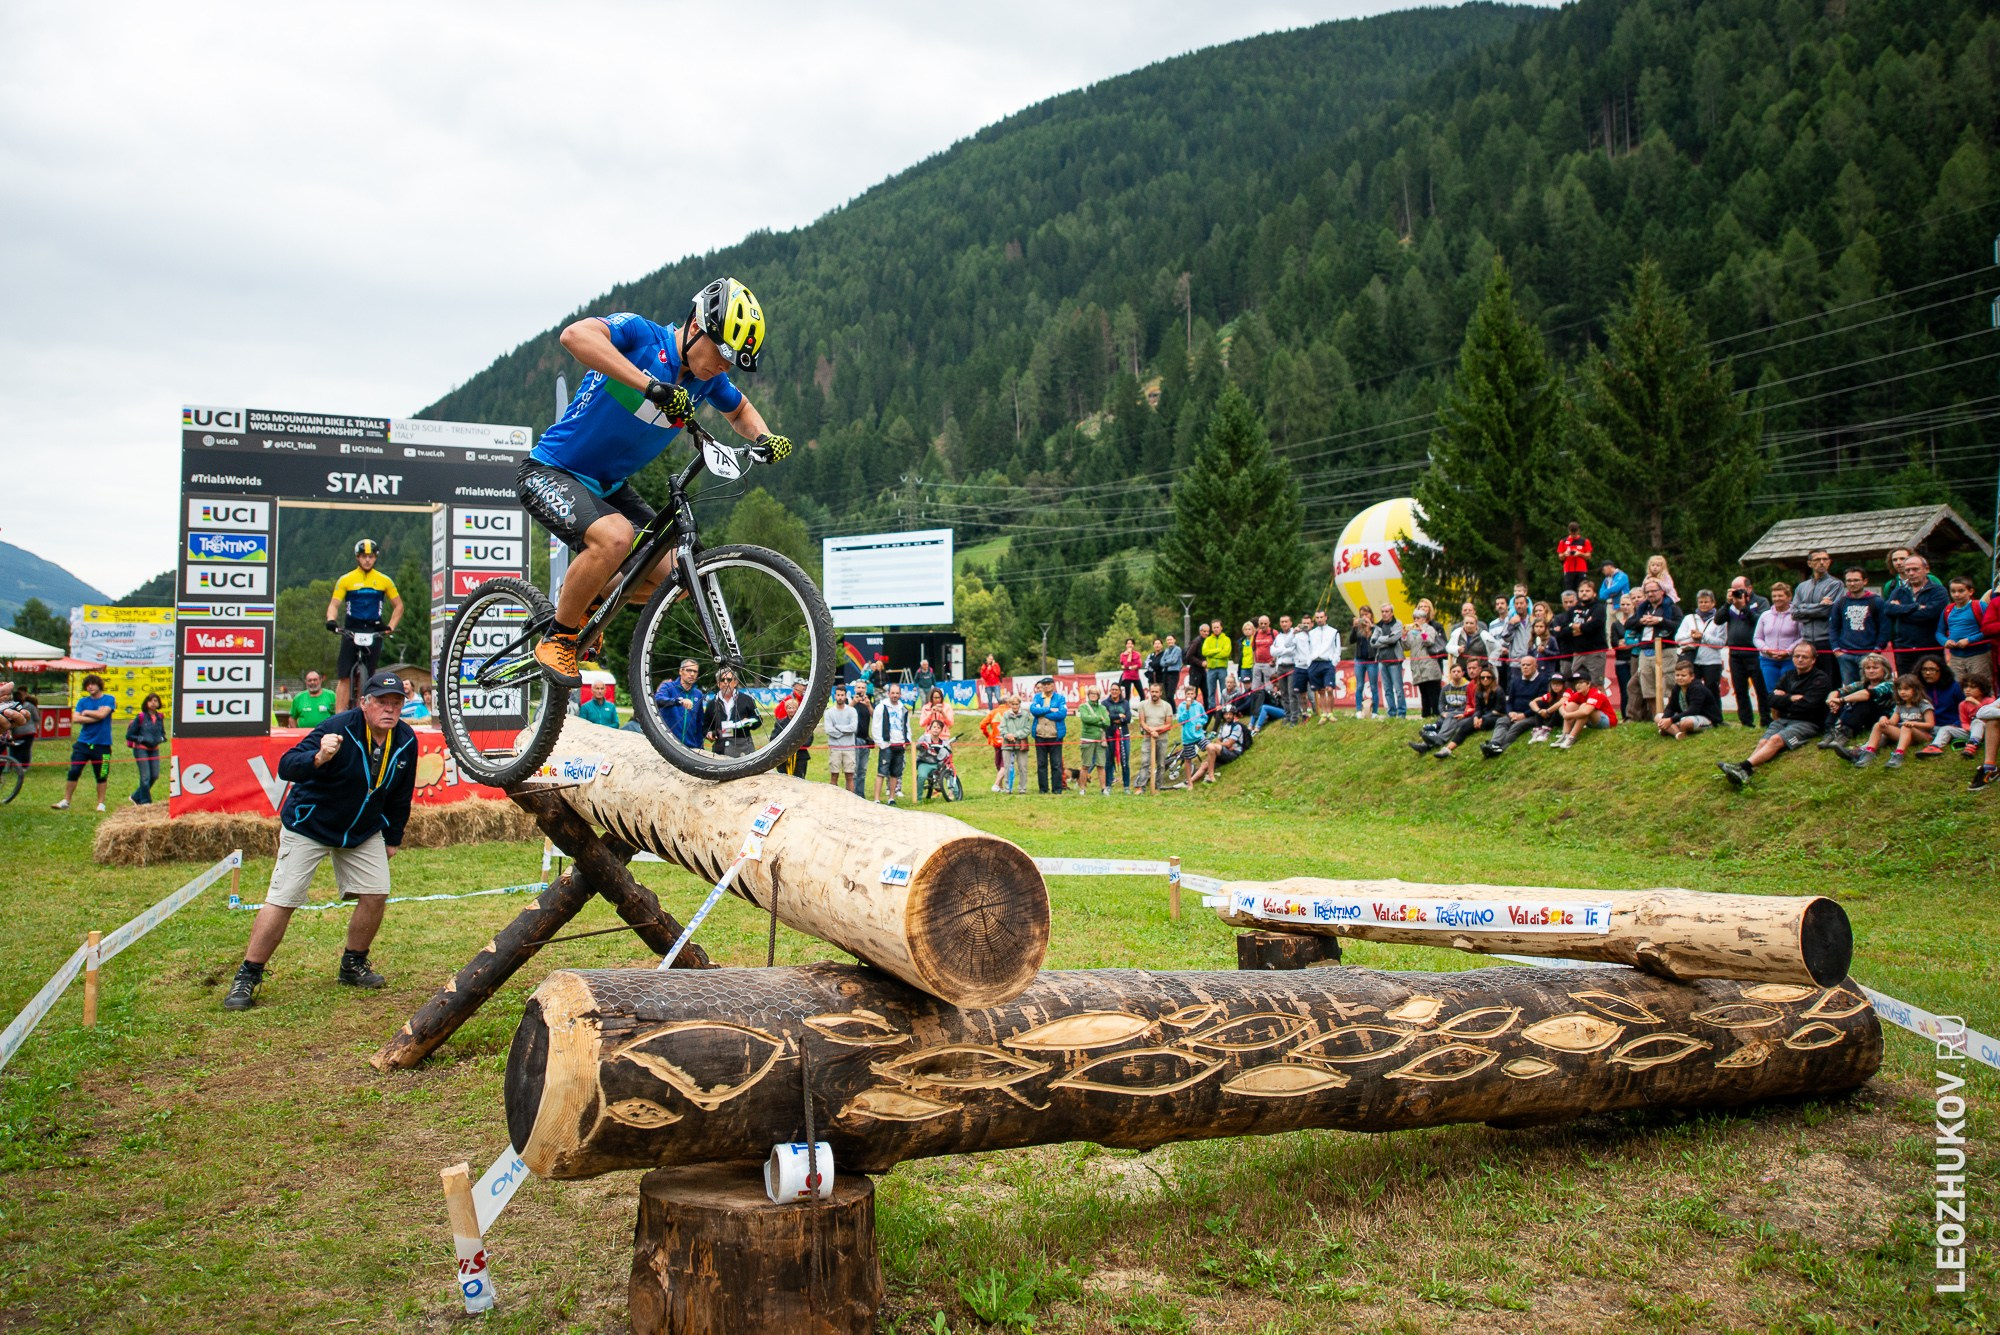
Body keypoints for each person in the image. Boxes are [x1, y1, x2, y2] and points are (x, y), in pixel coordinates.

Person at [515, 280, 789, 685]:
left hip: (609, 487)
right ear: (695, 327)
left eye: (733, 362)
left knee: (681, 575)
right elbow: (574, 336)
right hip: (550, 471)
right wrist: (650, 386)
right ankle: (558, 636)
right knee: (616, 537)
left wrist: (765, 437)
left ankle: (587, 600)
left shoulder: (708, 381)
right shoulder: (641, 335)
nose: (724, 367)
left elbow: (739, 410)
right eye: (722, 353)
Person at [222, 672, 417, 1011]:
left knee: (376, 893)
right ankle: (248, 974)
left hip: (362, 829)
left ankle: (353, 963)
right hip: (310, 824)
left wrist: (393, 836)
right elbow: (287, 766)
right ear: (364, 703)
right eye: (382, 702)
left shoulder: (406, 739)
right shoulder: (337, 727)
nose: (389, 709)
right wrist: (318, 758)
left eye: (396, 703)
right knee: (284, 899)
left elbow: (401, 794)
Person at [1717, 643, 1833, 788]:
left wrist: (1784, 699)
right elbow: (1771, 699)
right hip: (1784, 719)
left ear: (1813, 660)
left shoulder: (1820, 679)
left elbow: (1809, 705)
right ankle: (1745, 771)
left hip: (1808, 723)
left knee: (1776, 739)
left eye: (1805, 657)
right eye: (1797, 656)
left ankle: (1742, 766)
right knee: (1763, 742)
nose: (1800, 659)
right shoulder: (1788, 675)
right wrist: (1791, 698)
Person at [326, 539, 405, 712]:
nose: (367, 560)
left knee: (370, 675)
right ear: (357, 557)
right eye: (363, 556)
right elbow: (334, 604)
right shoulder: (346, 579)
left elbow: (399, 606)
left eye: (371, 556)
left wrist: (390, 626)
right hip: (351, 628)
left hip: (374, 628)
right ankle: (339, 715)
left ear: (376, 557)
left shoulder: (384, 580)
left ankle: (367, 712)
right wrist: (331, 620)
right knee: (344, 675)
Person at [1835, 674, 1932, 769]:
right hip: (1904, 734)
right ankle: (1868, 752)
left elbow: (1930, 724)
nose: (1902, 692)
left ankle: (1898, 755)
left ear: (1915, 689)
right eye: (1899, 689)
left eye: (1906, 689)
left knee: (1906, 727)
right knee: (1879, 725)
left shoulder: (1923, 704)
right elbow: (1892, 723)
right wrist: (1883, 718)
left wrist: (1913, 724)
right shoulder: (1900, 705)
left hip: (1921, 734)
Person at [54, 673, 115, 812]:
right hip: (83, 744)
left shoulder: (109, 699)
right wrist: (95, 715)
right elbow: (76, 719)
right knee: (74, 771)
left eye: (92, 684)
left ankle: (101, 803)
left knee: (102, 774)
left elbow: (102, 715)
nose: (90, 687)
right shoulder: (82, 701)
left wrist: (86, 712)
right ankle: (66, 801)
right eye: (87, 685)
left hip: (103, 745)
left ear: (99, 685)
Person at [1626, 578, 1680, 722]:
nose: (1650, 594)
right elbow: (1628, 624)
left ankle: (1670, 717)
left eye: (1653, 591)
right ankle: (1657, 718)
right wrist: (1640, 621)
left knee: (1668, 685)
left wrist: (1660, 621)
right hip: (1645, 651)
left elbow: (1679, 625)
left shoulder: (1672, 607)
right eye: (1647, 591)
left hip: (1665, 650)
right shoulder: (1643, 608)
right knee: (1648, 687)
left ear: (1662, 591)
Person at [1475, 655, 1551, 756]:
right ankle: (1494, 744)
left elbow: (1540, 703)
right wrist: (1510, 712)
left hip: (1532, 715)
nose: (1525, 667)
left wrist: (1524, 715)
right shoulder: (1515, 680)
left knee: (1516, 726)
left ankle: (1500, 747)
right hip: (1514, 713)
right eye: (1523, 665)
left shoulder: (1543, 680)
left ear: (1535, 666)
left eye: (1528, 665)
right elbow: (1509, 701)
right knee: (1501, 721)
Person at [1884, 553, 1945, 676]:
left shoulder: (1938, 591)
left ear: (1926, 569)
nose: (1911, 573)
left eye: (1915, 569)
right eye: (1908, 570)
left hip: (1930, 648)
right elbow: (1888, 609)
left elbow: (1930, 614)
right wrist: (1915, 607)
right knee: (1906, 683)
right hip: (1904, 648)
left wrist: (1901, 611)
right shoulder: (1899, 590)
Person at [1722, 577, 1772, 726]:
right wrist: (1728, 603)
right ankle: (1746, 721)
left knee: (1761, 688)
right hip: (1735, 653)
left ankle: (1766, 719)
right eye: (1733, 589)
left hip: (1754, 652)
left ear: (1749, 588)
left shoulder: (1761, 602)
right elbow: (1718, 620)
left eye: (1739, 589)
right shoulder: (1731, 605)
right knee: (1740, 689)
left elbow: (1761, 622)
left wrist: (1744, 607)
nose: (1737, 592)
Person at [1821, 652, 1894, 751]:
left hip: (1882, 719)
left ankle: (1845, 734)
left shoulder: (1890, 684)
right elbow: (1837, 691)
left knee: (1863, 701)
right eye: (1868, 668)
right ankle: (1830, 732)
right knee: (1837, 700)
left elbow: (1867, 694)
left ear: (1885, 669)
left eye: (1875, 668)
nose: (1871, 671)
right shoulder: (1861, 684)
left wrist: (1841, 700)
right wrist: (1831, 701)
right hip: (1863, 717)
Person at [1828, 567, 1887, 688]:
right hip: (1845, 655)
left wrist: (1877, 650)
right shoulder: (1840, 602)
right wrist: (1836, 650)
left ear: (1865, 581)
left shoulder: (1877, 601)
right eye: (1849, 581)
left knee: (1872, 688)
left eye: (1856, 580)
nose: (1852, 584)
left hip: (1869, 654)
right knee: (1850, 690)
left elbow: (1884, 628)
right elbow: (1833, 627)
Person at [1425, 666, 1501, 759]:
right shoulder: (1476, 689)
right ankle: (1445, 748)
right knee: (1460, 726)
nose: (1485, 679)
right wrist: (1475, 717)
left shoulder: (1498, 690)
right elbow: (1476, 707)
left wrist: (1477, 717)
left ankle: (1436, 739)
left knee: (1455, 722)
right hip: (1475, 716)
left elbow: (1499, 710)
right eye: (1482, 678)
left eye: (1488, 677)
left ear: (1493, 678)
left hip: (1491, 717)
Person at [1923, 673, 1994, 759]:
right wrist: (1970, 729)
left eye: (1972, 687)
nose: (1967, 690)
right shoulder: (1963, 704)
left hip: (1988, 731)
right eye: (1965, 687)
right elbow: (1964, 722)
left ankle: (1972, 746)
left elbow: (1990, 715)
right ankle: (1935, 746)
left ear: (1982, 689)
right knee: (1946, 728)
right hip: (1971, 732)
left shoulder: (1989, 701)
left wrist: (1976, 703)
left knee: (1977, 721)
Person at [1937, 576, 1993, 683]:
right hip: (1956, 657)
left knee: (1981, 684)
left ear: (1970, 591)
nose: (1956, 595)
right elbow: (1939, 632)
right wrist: (1945, 641)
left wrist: (1969, 640)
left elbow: (1988, 629)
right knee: (1958, 686)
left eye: (1961, 591)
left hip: (1979, 655)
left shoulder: (1979, 605)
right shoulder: (1948, 610)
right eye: (1953, 591)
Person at [1791, 548, 1842, 664]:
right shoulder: (1801, 587)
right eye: (1818, 559)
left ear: (1829, 562)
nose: (1822, 562)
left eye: (1825, 559)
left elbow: (1826, 611)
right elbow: (1794, 613)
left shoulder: (1835, 584)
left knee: (1828, 674)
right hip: (1806, 641)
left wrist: (1802, 607)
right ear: (1809, 563)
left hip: (1827, 640)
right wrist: (1818, 606)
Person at [1753, 583, 1802, 698]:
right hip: (1768, 660)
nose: (1777, 598)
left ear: (1789, 597)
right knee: (1772, 692)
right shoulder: (1765, 615)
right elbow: (1757, 638)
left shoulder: (1796, 615)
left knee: (1787, 691)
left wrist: (1788, 651)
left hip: (1789, 660)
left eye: (1780, 595)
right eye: (1774, 596)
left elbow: (1803, 637)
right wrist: (1766, 650)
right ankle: (1774, 710)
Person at [1186, 703, 1249, 787]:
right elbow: (1218, 740)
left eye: (1230, 714)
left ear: (1234, 715)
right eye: (1226, 714)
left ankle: (1210, 775)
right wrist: (1221, 744)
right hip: (1223, 752)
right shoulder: (1223, 726)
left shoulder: (1237, 727)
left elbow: (1229, 744)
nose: (1228, 716)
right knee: (1205, 764)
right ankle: (1189, 782)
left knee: (1211, 747)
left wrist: (1220, 744)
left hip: (1234, 753)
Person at [1656, 660, 1722, 739]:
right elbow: (1671, 707)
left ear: (1692, 676)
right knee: (1658, 717)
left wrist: (1671, 720)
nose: (1680, 678)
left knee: (1685, 723)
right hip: (1685, 716)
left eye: (1683, 675)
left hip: (1706, 718)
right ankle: (1678, 734)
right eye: (1677, 675)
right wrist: (1664, 719)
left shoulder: (1698, 688)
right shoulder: (1677, 688)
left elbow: (1693, 710)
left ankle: (1669, 730)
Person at [1552, 671, 1618, 748]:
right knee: (1571, 705)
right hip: (1591, 722)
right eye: (1576, 683)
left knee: (1584, 707)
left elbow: (1586, 712)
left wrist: (1568, 715)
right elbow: (1562, 706)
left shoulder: (1595, 693)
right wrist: (1564, 714)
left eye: (1580, 682)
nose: (1577, 685)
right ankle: (1565, 734)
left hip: (1607, 722)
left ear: (1588, 684)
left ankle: (1572, 737)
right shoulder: (1578, 694)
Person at [705, 668, 761, 759]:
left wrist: (749, 722)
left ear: (735, 682)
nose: (725, 682)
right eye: (722, 680)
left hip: (743, 748)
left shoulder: (747, 700)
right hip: (720, 749)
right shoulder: (712, 703)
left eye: (729, 679)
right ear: (718, 683)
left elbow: (759, 719)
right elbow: (705, 726)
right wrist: (709, 733)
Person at [653, 658, 708, 749]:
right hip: (668, 742)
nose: (692, 674)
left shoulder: (698, 694)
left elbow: (699, 722)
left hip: (690, 746)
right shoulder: (668, 687)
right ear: (681, 671)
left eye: (695, 671)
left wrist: (700, 747)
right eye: (689, 670)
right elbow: (658, 699)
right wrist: (678, 701)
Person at [124, 691, 167, 804]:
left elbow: (163, 733)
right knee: (145, 777)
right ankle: (145, 802)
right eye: (150, 701)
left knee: (154, 775)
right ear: (146, 703)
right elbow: (129, 735)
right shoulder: (141, 717)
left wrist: (161, 739)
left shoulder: (160, 717)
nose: (153, 703)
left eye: (155, 701)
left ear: (159, 703)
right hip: (141, 749)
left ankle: (135, 796)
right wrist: (142, 739)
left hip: (154, 749)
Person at [872, 681, 911, 802]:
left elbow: (907, 726)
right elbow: (876, 725)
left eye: (897, 693)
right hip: (886, 744)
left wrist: (907, 741)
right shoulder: (881, 707)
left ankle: (891, 798)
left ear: (900, 694)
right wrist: (881, 743)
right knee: (881, 772)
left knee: (895, 773)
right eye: (893, 693)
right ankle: (877, 799)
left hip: (899, 744)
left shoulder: (903, 709)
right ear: (888, 693)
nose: (895, 695)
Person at [1133, 681, 1175, 793]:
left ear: (1160, 693)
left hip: (1162, 738)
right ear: (1149, 692)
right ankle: (1141, 786)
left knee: (1161, 763)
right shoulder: (1143, 704)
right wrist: (1150, 730)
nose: (1154, 694)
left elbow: (1168, 724)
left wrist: (1156, 730)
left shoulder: (1167, 706)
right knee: (1145, 762)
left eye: (1156, 692)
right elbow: (1142, 722)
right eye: (1152, 692)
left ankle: (1158, 786)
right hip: (1147, 737)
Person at [1563, 579, 1607, 686]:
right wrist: (1582, 627)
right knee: (1576, 685)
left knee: (1596, 685)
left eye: (1587, 591)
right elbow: (1564, 629)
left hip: (1595, 653)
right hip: (1578, 653)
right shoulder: (1572, 610)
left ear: (1594, 593)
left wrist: (1578, 627)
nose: (1584, 593)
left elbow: (1594, 626)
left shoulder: (1599, 608)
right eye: (1581, 591)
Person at [1028, 677, 1068, 794]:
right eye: (1044, 684)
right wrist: (1050, 709)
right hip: (1040, 735)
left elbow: (1062, 714)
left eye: (1048, 684)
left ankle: (1057, 789)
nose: (1046, 686)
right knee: (1041, 764)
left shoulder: (1060, 698)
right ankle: (1043, 789)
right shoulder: (1037, 697)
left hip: (1055, 735)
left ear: (1053, 685)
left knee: (1056, 764)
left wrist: (1045, 714)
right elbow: (1033, 710)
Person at [1406, 606, 1445, 718]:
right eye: (1414, 618)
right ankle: (1426, 715)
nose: (1416, 620)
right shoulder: (1411, 631)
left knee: (1433, 692)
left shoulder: (1429, 629)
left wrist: (1422, 631)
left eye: (1418, 618)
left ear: (1424, 619)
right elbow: (1406, 646)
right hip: (1417, 667)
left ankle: (1437, 714)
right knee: (1423, 692)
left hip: (1429, 665)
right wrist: (1404, 636)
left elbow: (1429, 641)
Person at [1371, 605, 1408, 719]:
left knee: (1398, 689)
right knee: (1387, 689)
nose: (1384, 613)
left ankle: (1401, 713)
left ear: (1392, 613)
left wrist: (1381, 639)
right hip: (1382, 660)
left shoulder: (1397, 623)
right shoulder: (1378, 625)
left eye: (1387, 611)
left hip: (1395, 660)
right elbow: (1373, 642)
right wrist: (1386, 639)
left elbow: (1393, 639)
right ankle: (1391, 712)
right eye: (1382, 611)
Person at [1304, 609, 1340, 722]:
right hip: (1315, 663)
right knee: (1321, 691)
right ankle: (1324, 713)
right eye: (1317, 617)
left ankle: (1330, 713)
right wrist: (1309, 663)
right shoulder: (1311, 633)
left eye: (1321, 617)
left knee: (1329, 689)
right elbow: (1308, 649)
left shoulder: (1333, 632)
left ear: (1325, 617)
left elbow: (1337, 648)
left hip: (1327, 662)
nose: (1319, 619)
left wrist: (1334, 662)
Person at [1172, 685, 1209, 787]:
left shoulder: (1199, 705)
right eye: (1188, 694)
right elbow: (1181, 721)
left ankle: (1210, 773)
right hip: (1187, 737)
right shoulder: (1182, 706)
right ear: (1185, 695)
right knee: (1188, 759)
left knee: (1210, 748)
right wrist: (1187, 709)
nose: (1190, 696)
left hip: (1199, 735)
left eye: (1192, 694)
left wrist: (1200, 723)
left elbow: (1204, 717)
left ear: (1195, 695)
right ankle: (1190, 782)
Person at [824, 684, 859, 789]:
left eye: (842, 695)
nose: (840, 697)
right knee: (834, 775)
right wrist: (844, 731)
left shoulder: (852, 711)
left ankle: (850, 796)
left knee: (850, 776)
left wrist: (838, 727)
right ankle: (833, 797)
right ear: (835, 696)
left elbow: (853, 728)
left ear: (845, 696)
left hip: (849, 747)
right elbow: (829, 730)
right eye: (838, 695)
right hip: (835, 748)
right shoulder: (829, 712)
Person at [1076, 684, 1109, 796]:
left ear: (1099, 695)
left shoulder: (1102, 708)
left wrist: (1097, 720)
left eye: (1095, 694)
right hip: (1087, 738)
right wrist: (1099, 718)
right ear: (1088, 695)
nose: (1093, 695)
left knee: (1101, 765)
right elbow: (1085, 719)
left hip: (1100, 739)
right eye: (1091, 693)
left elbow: (1107, 722)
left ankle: (1103, 788)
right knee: (1085, 765)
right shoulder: (1083, 707)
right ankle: (1082, 788)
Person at [773, 681, 812, 777]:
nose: (791, 710)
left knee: (800, 778)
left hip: (800, 756)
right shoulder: (780, 723)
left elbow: (809, 737)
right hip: (783, 756)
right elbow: (773, 737)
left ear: (797, 708)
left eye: (793, 708)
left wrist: (796, 745)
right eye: (789, 708)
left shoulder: (803, 723)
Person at [1916, 654, 1963, 727]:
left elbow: (1966, 709)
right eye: (1924, 669)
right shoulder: (1917, 688)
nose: (1927, 673)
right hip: (1925, 727)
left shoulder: (1954, 687)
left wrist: (1957, 724)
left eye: (1932, 670)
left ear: (1942, 671)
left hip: (1951, 727)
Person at [999, 694, 1033, 795]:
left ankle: (1022, 788)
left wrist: (1015, 735)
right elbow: (1002, 728)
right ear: (1010, 704)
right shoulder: (1005, 714)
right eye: (1013, 704)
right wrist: (1007, 735)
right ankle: (1007, 788)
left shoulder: (1025, 715)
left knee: (1023, 766)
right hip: (1007, 743)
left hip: (1021, 743)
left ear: (1019, 704)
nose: (1015, 706)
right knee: (1007, 767)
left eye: (1016, 704)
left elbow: (1027, 729)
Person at [1350, 605, 1379, 718]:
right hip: (1359, 659)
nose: (1364, 617)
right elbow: (1351, 640)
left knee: (1374, 686)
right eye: (1362, 615)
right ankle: (1358, 710)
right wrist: (1354, 627)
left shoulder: (1375, 628)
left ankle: (1375, 711)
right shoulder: (1358, 628)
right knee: (1359, 685)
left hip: (1372, 660)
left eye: (1366, 614)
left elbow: (1378, 640)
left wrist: (1371, 627)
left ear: (1371, 615)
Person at [913, 720, 952, 801]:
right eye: (934, 727)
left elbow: (947, 753)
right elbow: (917, 746)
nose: (936, 729)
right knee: (922, 776)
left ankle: (955, 795)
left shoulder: (943, 742)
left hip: (938, 764)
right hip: (924, 762)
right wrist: (922, 745)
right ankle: (918, 798)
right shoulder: (924, 738)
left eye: (938, 728)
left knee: (950, 773)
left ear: (941, 730)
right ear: (930, 728)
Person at [1103, 683, 1132, 794]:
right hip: (1110, 734)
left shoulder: (1125, 703)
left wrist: (1115, 718)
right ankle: (1108, 785)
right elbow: (1105, 717)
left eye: (1116, 689)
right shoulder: (1105, 703)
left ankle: (1126, 786)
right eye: (1112, 689)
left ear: (1120, 691)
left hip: (1123, 734)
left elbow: (1128, 718)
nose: (1114, 691)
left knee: (1125, 761)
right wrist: (1119, 716)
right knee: (1109, 761)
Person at [848, 681, 874, 796]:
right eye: (858, 687)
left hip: (865, 739)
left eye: (863, 688)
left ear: (866, 690)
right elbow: (845, 713)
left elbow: (875, 716)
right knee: (854, 769)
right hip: (854, 739)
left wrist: (868, 705)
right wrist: (853, 702)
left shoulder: (868, 702)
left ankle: (860, 794)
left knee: (862, 770)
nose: (861, 690)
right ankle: (852, 794)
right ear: (854, 689)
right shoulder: (850, 701)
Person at [1200, 622, 1232, 709]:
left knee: (1224, 690)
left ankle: (1224, 708)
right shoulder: (1208, 640)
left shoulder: (1226, 639)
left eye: (1217, 627)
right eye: (1214, 627)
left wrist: (1212, 655)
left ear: (1221, 628)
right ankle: (1212, 709)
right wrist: (1218, 650)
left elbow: (1226, 653)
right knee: (1210, 691)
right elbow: (1205, 652)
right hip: (1211, 669)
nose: (1216, 629)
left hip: (1222, 668)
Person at [1558, 522, 1593, 594]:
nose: (1573, 534)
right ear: (1569, 531)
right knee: (1569, 590)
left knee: (1581, 588)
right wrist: (1565, 554)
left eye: (1575, 532)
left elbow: (1589, 556)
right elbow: (1560, 557)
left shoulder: (1584, 541)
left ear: (1578, 531)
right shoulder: (1563, 541)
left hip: (1581, 569)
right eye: (1572, 532)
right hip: (1569, 569)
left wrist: (1580, 554)